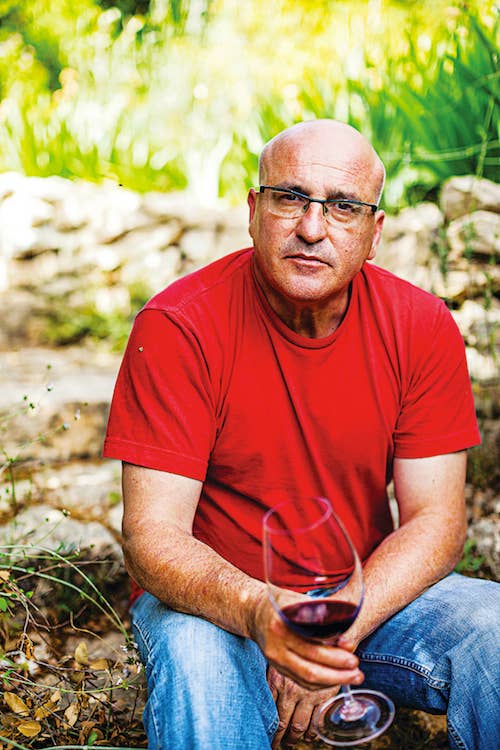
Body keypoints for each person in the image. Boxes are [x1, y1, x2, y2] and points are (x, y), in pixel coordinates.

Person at [103, 119, 499, 750]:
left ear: (375, 233)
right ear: (254, 211)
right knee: (199, 666)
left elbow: (437, 522)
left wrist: (331, 630)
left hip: (363, 596)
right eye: (290, 198)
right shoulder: (179, 326)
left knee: (495, 629)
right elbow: (152, 536)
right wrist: (262, 613)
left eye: (343, 207)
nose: (312, 228)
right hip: (218, 602)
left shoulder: (422, 326)